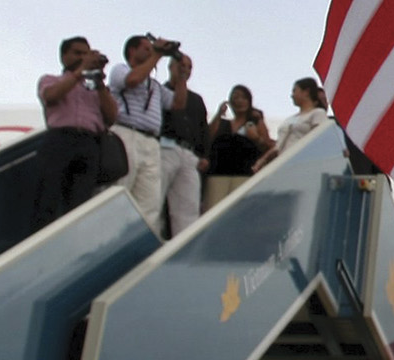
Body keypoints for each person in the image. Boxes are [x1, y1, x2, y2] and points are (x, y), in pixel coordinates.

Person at [33, 35, 118, 228]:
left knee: (80, 203)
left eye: (86, 54)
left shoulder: (95, 88)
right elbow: (51, 95)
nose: (82, 57)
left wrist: (99, 81)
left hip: (89, 143)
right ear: (64, 57)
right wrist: (81, 71)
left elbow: (112, 116)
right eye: (77, 53)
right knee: (47, 197)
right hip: (59, 140)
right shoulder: (50, 79)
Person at [108, 33, 177, 232]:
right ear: (132, 51)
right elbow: (133, 80)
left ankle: (140, 245)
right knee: (119, 192)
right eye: (146, 48)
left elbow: (177, 103)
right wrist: (157, 54)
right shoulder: (120, 70)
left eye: (151, 48)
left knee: (150, 202)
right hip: (125, 135)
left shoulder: (154, 85)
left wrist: (180, 74)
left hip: (151, 142)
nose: (151, 51)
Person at [159, 52, 210, 235]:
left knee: (188, 207)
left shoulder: (196, 100)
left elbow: (204, 129)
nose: (185, 70)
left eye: (189, 67)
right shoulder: (160, 92)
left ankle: (183, 247)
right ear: (171, 67)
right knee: (155, 200)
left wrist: (204, 155)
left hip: (190, 154)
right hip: (165, 148)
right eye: (181, 66)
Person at [206, 83, 272, 208]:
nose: (240, 101)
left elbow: (267, 145)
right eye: (236, 97)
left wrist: (256, 137)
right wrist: (219, 114)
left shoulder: (254, 122)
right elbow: (208, 137)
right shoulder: (223, 124)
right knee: (214, 210)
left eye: (244, 98)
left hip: (244, 174)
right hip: (218, 174)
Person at [253, 77, 330, 170]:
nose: (292, 95)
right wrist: (262, 160)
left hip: (303, 164)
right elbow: (278, 146)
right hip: (284, 164)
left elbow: (319, 138)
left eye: (295, 91)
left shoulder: (318, 113)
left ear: (306, 92)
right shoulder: (289, 119)